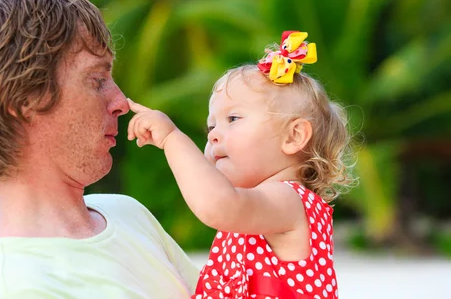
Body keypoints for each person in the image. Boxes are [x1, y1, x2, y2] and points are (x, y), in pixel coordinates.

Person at [0, 0, 199, 298]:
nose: (121, 102)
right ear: (22, 100)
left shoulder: (128, 214)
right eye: (97, 81)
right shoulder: (13, 289)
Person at [127, 31, 356, 299]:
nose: (212, 134)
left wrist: (172, 139)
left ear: (293, 137)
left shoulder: (289, 201)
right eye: (211, 125)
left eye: (233, 119)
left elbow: (217, 205)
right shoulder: (254, 208)